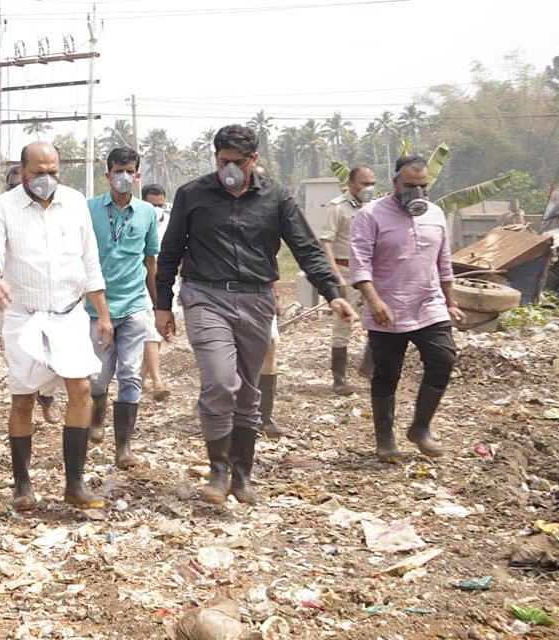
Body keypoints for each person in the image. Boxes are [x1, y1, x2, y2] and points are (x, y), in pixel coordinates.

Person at [155, 125, 356, 505]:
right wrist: (162, 304)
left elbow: (306, 248)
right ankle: (217, 471)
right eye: (222, 161)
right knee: (219, 381)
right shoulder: (192, 195)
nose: (229, 168)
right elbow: (170, 252)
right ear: (215, 159)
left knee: (248, 392)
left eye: (237, 161)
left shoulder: (276, 197)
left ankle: (242, 474)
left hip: (256, 300)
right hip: (205, 297)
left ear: (253, 160)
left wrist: (332, 293)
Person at [0, 141, 113, 511]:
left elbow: (90, 261)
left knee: (82, 389)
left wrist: (102, 313)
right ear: (23, 172)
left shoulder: (75, 203)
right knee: (23, 399)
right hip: (24, 314)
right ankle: (23, 485)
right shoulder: (2, 208)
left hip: (69, 313)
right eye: (39, 173)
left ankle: (75, 482)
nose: (46, 179)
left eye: (53, 171)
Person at [348, 156, 463, 463]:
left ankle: (421, 427)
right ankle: (385, 440)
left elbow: (444, 261)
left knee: (443, 360)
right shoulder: (370, 215)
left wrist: (451, 301)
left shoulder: (436, 214)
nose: (417, 192)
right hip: (388, 307)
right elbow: (360, 264)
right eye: (410, 186)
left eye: (423, 186)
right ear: (395, 181)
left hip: (429, 303)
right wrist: (374, 301)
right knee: (387, 374)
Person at [85, 147, 159, 469]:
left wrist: (159, 305)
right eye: (118, 170)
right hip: (96, 307)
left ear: (138, 175)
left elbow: (150, 260)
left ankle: (124, 447)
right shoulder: (88, 210)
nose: (124, 177)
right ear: (108, 175)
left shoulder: (146, 213)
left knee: (130, 375)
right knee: (99, 377)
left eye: (130, 170)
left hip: (135, 305)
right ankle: (97, 416)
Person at [5, 165, 62, 425]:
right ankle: (26, 401)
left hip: (52, 303)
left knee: (51, 355)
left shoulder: (54, 215)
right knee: (23, 360)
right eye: (13, 186)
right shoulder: (3, 213)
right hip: (14, 303)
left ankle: (47, 396)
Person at [321, 165, 376, 395]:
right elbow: (326, 242)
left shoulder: (376, 208)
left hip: (372, 273)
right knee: (343, 324)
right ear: (351, 184)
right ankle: (339, 379)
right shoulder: (338, 208)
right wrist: (335, 275)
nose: (369, 188)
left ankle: (369, 367)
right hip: (346, 271)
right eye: (364, 184)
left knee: (380, 318)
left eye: (372, 183)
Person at [251, 164, 285, 439]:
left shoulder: (272, 211)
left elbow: (270, 258)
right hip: (224, 297)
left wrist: (275, 294)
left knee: (270, 346)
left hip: (262, 292)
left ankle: (265, 415)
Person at [138, 183, 171, 402]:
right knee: (151, 331)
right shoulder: (137, 220)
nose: (157, 210)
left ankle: (139, 378)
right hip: (143, 282)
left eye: (160, 205)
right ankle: (157, 381)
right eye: (152, 205)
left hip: (167, 282)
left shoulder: (170, 222)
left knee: (157, 332)